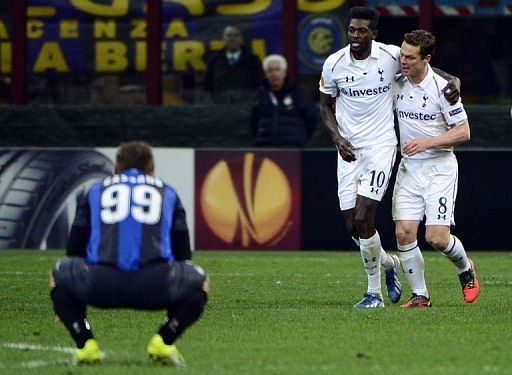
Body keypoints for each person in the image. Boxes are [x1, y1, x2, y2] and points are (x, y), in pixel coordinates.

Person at [319, 7, 459, 308]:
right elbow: (325, 105)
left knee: (363, 216)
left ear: (374, 34)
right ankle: (388, 265)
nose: (355, 36)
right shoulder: (334, 64)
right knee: (352, 228)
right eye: (352, 30)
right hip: (347, 151)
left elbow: (425, 69)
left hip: (381, 147)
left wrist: (453, 80)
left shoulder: (391, 55)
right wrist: (337, 137)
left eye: (362, 31)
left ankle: (373, 293)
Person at [49, 141, 208, 366]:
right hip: (155, 286)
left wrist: (69, 299)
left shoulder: (96, 190)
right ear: (152, 172)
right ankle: (164, 340)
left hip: (100, 286)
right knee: (201, 281)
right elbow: (183, 254)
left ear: (115, 170)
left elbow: (74, 249)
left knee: (58, 274)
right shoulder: (167, 191)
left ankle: (85, 345)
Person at [392, 30, 480, 308]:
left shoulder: (444, 88)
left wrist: (428, 142)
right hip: (408, 168)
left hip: (439, 168)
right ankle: (420, 295)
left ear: (426, 59)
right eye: (402, 54)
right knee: (404, 231)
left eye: (410, 57)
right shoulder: (396, 82)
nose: (403, 61)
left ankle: (465, 268)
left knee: (436, 238)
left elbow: (464, 131)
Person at [250, 54, 320, 147]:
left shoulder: (298, 94)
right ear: (265, 74)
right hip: (265, 150)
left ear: (284, 72)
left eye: (277, 69)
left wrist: (300, 139)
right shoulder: (259, 96)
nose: (274, 73)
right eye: (270, 70)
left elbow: (312, 119)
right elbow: (252, 123)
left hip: (293, 150)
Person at [202, 24, 263, 103]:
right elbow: (207, 85)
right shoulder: (214, 59)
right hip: (219, 108)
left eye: (236, 35)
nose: (232, 39)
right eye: (229, 35)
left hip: (245, 108)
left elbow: (258, 86)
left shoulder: (253, 60)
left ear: (242, 39)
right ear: (223, 38)